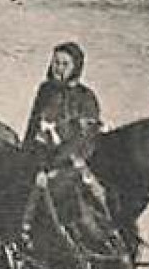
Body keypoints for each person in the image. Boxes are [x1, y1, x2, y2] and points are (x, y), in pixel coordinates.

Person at [23, 42, 104, 173]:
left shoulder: (86, 97)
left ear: (75, 67)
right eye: (56, 62)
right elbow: (33, 126)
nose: (59, 68)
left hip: (70, 162)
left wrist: (55, 163)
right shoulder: (46, 90)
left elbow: (85, 137)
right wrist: (26, 155)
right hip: (40, 158)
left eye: (65, 64)